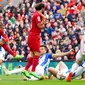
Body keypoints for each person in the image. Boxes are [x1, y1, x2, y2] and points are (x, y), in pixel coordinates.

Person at [3, 45, 73, 80]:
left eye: (42, 49)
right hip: (39, 70)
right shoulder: (36, 56)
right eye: (40, 49)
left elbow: (59, 55)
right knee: (26, 68)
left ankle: (65, 75)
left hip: (43, 70)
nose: (40, 50)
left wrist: (68, 52)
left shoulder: (48, 55)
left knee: (55, 65)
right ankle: (9, 72)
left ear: (45, 51)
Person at [23, 2, 46, 76]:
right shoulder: (37, 15)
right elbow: (40, 26)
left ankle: (26, 69)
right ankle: (33, 71)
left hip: (32, 35)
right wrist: (44, 20)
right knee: (37, 54)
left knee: (33, 54)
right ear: (42, 8)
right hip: (34, 36)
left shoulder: (37, 14)